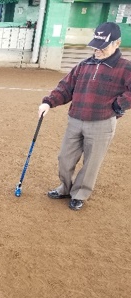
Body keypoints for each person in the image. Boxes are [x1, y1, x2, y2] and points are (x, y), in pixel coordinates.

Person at [39, 22, 131, 211]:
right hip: (76, 119)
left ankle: (79, 194)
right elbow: (66, 87)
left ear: (117, 43)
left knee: (91, 163)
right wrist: (49, 102)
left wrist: (117, 105)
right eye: (95, 45)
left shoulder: (125, 67)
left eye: (102, 46)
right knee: (64, 158)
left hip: (102, 122)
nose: (97, 50)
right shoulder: (84, 65)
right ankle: (65, 188)